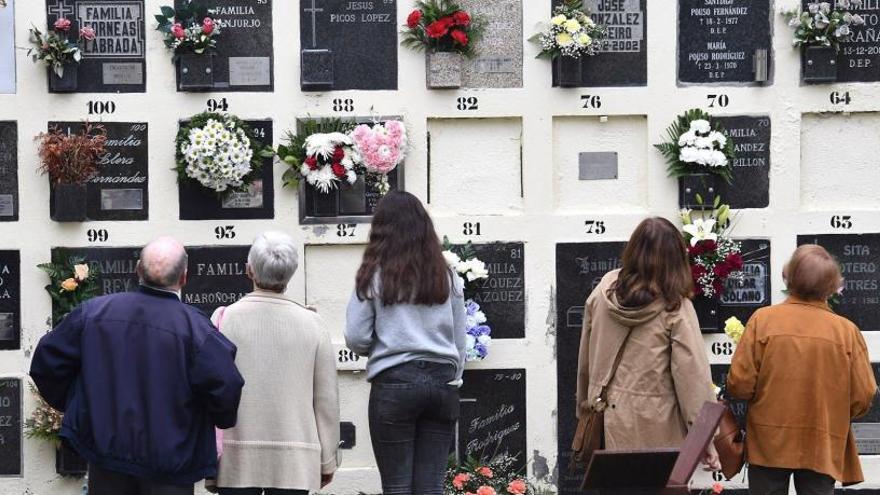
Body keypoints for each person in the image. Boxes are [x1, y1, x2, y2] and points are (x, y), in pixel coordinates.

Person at [30, 236, 245, 495]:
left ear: (138, 271)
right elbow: (226, 386)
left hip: (107, 456)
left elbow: (46, 363)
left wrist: (82, 407)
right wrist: (211, 419)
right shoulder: (197, 331)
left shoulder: (94, 314)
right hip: (171, 463)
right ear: (184, 278)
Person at [728, 244, 878, 494]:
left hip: (768, 442)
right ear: (832, 285)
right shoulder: (845, 331)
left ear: (789, 276)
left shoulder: (762, 320)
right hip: (823, 440)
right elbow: (863, 395)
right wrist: (834, 412)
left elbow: (739, 384)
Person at [345, 191, 467, 495]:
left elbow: (356, 336)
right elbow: (459, 338)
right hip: (442, 385)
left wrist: (381, 346)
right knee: (430, 488)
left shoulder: (373, 275)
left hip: (395, 384)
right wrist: (454, 376)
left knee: (397, 488)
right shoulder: (447, 274)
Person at [576, 217, 720, 466]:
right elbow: (692, 378)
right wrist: (705, 439)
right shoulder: (675, 308)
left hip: (606, 428)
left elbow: (586, 364)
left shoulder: (600, 296)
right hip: (657, 435)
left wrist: (584, 412)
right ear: (674, 258)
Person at [212, 231, 340, 495]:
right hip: (294, 460)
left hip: (236, 459)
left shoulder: (224, 319)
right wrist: (327, 458)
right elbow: (325, 400)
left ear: (249, 270)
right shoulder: (313, 324)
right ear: (290, 273)